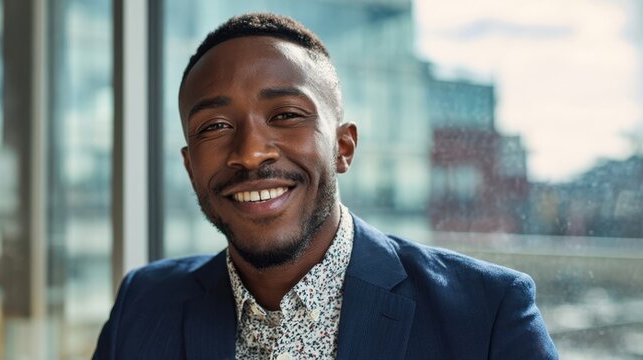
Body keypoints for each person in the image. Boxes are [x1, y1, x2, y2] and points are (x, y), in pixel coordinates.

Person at [94, 13, 557, 360]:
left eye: (286, 115)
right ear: (190, 166)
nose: (251, 152)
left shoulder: (486, 316)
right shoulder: (143, 303)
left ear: (343, 147)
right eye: (214, 126)